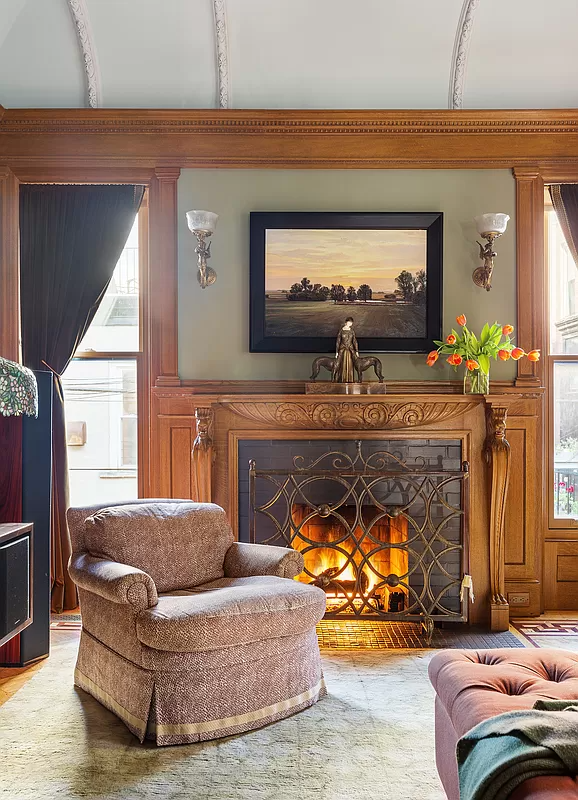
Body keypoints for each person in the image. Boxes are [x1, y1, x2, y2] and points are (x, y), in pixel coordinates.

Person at [333, 317, 358, 382]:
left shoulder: (352, 331)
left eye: (351, 323)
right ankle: (341, 379)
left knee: (350, 363)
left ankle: (350, 379)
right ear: (346, 322)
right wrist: (337, 352)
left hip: (350, 350)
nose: (350, 324)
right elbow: (338, 341)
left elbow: (354, 341)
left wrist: (356, 351)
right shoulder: (341, 331)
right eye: (349, 322)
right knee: (341, 364)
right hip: (342, 350)